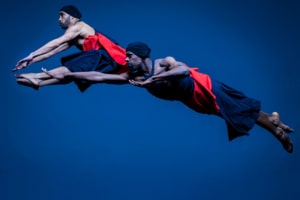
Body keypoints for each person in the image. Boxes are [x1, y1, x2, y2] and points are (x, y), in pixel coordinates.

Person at [42, 41, 295, 153]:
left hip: (203, 86)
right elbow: (99, 77)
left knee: (236, 108)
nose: (127, 60)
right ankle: (274, 120)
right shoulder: (135, 78)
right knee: (233, 113)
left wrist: (156, 79)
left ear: (142, 56)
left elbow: (183, 69)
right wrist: (66, 73)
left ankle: (276, 129)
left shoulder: (163, 63)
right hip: (194, 102)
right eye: (127, 56)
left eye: (130, 56)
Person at [13, 5, 127, 92]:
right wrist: (29, 61)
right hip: (105, 62)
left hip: (108, 57)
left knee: (73, 66)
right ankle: (39, 83)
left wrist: (31, 54)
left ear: (72, 18)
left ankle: (36, 76)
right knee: (75, 74)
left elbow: (56, 42)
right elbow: (51, 52)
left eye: (62, 15)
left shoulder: (78, 26)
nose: (59, 19)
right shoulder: (74, 38)